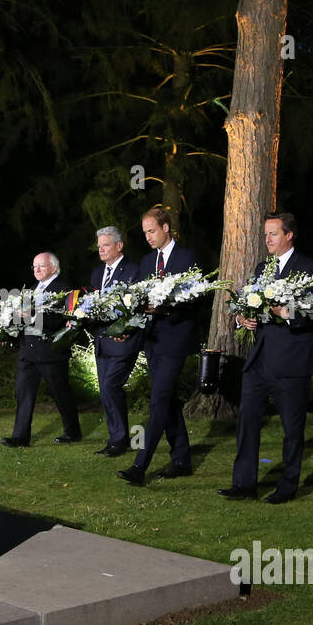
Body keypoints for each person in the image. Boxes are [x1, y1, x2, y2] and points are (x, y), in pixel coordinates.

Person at [218, 212, 313, 505]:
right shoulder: (262, 268)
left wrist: (284, 311)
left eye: (273, 234)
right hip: (259, 361)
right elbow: (247, 303)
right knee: (247, 422)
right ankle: (243, 484)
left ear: (289, 235)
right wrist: (242, 317)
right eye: (265, 234)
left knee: (292, 429)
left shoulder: (309, 268)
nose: (267, 240)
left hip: (291, 363)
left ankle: (287, 487)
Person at [117, 206, 200, 485]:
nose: (148, 237)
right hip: (153, 341)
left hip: (176, 339)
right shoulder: (146, 262)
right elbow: (139, 301)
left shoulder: (187, 258)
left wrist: (166, 308)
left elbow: (195, 300)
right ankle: (181, 459)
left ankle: (140, 466)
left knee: (159, 400)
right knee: (168, 401)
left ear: (166, 228)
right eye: (144, 233)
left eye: (151, 231)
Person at [2, 253, 83, 447]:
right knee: (24, 394)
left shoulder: (65, 290)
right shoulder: (30, 290)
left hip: (51, 352)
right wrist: (9, 331)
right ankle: (20, 437)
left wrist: (32, 316)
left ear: (54, 268)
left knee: (61, 393)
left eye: (41, 266)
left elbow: (62, 321)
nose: (36, 270)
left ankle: (72, 432)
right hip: (28, 351)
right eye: (34, 267)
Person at [90, 226, 142, 456]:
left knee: (111, 387)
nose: (101, 250)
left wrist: (126, 329)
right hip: (102, 342)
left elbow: (137, 305)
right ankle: (116, 438)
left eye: (106, 245)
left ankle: (120, 440)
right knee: (106, 390)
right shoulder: (95, 274)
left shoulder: (134, 271)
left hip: (123, 340)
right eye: (99, 246)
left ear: (119, 246)